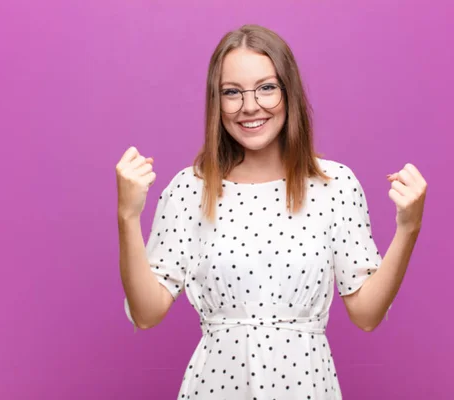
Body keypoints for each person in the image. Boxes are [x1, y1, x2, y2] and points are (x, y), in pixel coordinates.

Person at [116, 24, 427, 400]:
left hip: (307, 387)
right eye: (232, 92)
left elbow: (366, 314)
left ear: (288, 91)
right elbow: (146, 313)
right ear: (217, 103)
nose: (250, 106)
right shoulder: (189, 189)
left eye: (266, 88)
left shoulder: (335, 185)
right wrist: (127, 217)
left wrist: (408, 229)